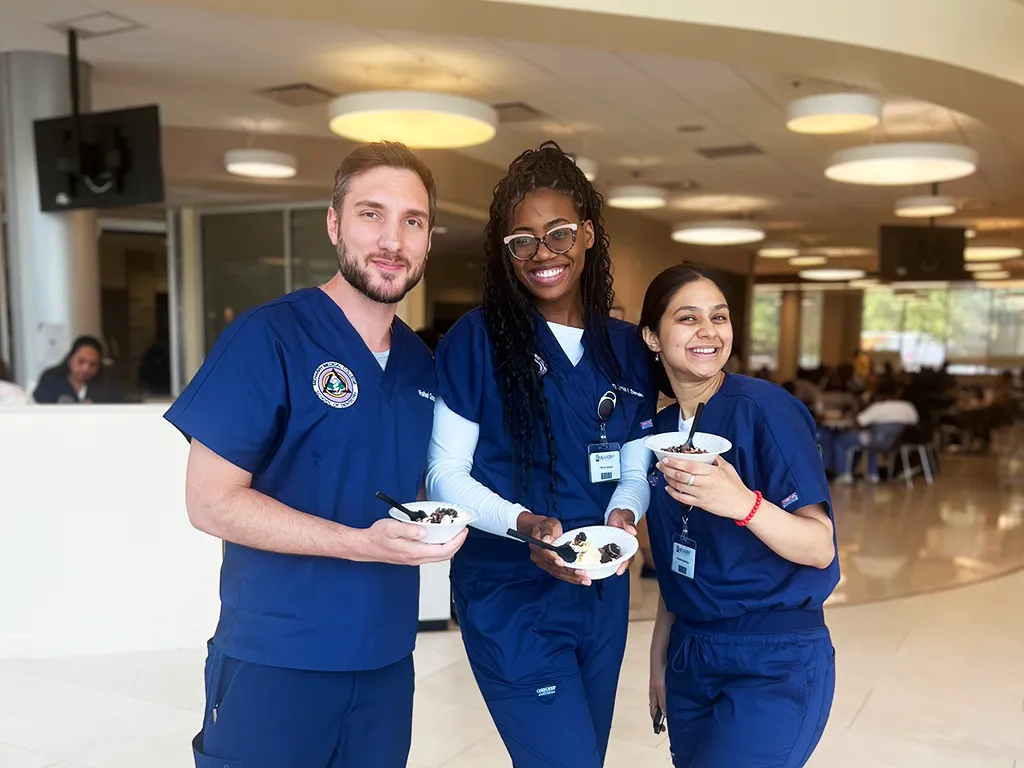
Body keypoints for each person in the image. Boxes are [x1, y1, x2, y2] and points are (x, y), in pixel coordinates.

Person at [164, 141, 466, 768]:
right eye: (370, 213)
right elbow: (209, 502)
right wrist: (360, 543)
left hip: (385, 662)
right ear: (335, 224)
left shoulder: (421, 364)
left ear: (428, 240)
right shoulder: (269, 337)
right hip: (276, 658)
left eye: (412, 221)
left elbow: (425, 485)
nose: (392, 239)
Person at [426, 141, 656, 767]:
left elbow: (634, 467)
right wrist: (523, 525)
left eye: (557, 232)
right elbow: (444, 475)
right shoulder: (477, 340)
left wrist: (625, 517)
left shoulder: (628, 348)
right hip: (507, 594)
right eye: (520, 240)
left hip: (602, 595)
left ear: (586, 234)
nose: (542, 253)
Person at [641, 264, 839, 768]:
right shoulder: (655, 434)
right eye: (688, 318)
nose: (709, 331)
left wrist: (742, 504)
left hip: (773, 657)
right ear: (652, 337)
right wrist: (659, 657)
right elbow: (676, 555)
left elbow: (819, 547)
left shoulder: (766, 409)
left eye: (719, 317)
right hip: (691, 653)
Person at [32, 335, 122, 404]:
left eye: (93, 364)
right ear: (70, 359)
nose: (86, 369)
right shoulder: (50, 379)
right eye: (81, 362)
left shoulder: (107, 383)